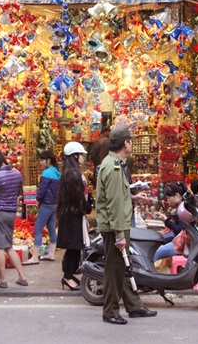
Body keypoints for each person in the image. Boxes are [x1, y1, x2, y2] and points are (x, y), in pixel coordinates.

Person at [96, 125, 157, 325]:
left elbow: (117, 196)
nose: (132, 143)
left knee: (122, 266)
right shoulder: (113, 167)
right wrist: (119, 234)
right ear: (125, 143)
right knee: (114, 270)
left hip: (118, 225)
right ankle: (110, 311)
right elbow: (113, 204)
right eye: (130, 140)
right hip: (116, 227)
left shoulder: (115, 163)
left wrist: (131, 197)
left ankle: (134, 305)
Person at [0, 150, 28, 288]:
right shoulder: (16, 173)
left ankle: (2, 280)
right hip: (11, 212)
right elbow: (19, 191)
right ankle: (22, 277)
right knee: (8, 246)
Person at [55, 142, 92, 290]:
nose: (83, 157)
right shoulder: (72, 174)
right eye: (81, 155)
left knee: (76, 246)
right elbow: (76, 197)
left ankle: (70, 274)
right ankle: (68, 276)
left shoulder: (74, 171)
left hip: (74, 213)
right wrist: (86, 207)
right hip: (72, 215)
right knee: (73, 246)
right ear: (75, 156)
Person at [24, 150, 60, 265]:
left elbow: (42, 190)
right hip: (55, 204)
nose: (40, 162)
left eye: (42, 160)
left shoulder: (46, 173)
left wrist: (37, 199)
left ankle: (35, 256)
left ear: (48, 161)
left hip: (46, 204)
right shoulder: (57, 172)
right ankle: (52, 253)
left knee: (37, 229)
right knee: (51, 228)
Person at [153, 182, 188, 262]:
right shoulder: (182, 207)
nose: (168, 201)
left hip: (183, 244)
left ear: (177, 195)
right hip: (182, 241)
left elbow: (179, 230)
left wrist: (166, 220)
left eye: (169, 198)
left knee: (156, 253)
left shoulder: (182, 210)